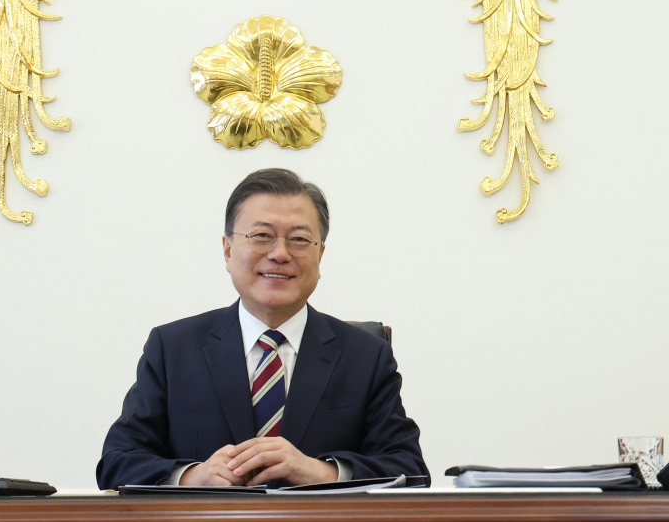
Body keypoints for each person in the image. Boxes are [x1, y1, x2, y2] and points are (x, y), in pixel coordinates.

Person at [96, 168, 427, 489]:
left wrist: (322, 472)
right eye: (261, 236)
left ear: (320, 254)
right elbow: (117, 462)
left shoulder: (366, 356)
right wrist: (195, 476)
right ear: (228, 249)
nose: (280, 254)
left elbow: (410, 470)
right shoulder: (173, 349)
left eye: (299, 239)